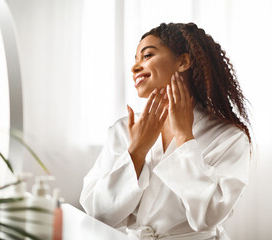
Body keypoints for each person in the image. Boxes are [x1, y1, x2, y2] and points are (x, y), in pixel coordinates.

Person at [80, 22, 252, 240]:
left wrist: (184, 138)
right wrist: (136, 151)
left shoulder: (229, 137)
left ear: (183, 61)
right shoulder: (123, 130)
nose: (134, 68)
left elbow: (207, 217)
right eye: (135, 60)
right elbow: (97, 213)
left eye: (147, 56)